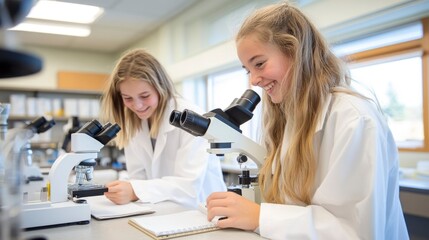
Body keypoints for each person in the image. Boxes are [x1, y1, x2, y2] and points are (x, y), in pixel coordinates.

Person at [205, 1, 409, 239]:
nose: (253, 81)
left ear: (295, 50)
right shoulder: (291, 119)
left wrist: (260, 217)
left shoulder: (354, 118)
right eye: (247, 70)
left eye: (259, 64)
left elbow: (355, 230)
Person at [100, 49, 226, 208]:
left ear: (161, 88)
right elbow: (138, 178)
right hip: (162, 213)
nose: (137, 106)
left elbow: (188, 189)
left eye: (145, 96)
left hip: (203, 212)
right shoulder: (134, 122)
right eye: (128, 98)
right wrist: (126, 189)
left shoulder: (192, 119)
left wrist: (134, 190)